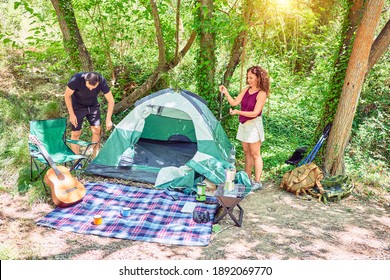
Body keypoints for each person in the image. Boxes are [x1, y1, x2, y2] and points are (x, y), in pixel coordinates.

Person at [219, 66, 270, 190]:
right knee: (247, 153)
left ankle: (257, 182)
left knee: (255, 154)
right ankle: (247, 178)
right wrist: (225, 92)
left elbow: (255, 113)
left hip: (254, 125)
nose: (249, 80)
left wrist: (238, 112)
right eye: (248, 77)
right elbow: (234, 103)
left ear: (259, 78)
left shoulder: (262, 94)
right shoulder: (247, 89)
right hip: (244, 124)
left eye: (251, 77)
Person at [64, 72, 115, 158]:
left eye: (93, 87)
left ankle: (95, 159)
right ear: (85, 80)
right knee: (76, 133)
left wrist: (108, 119)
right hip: (77, 107)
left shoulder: (101, 80)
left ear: (98, 83)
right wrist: (71, 114)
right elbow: (67, 96)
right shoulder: (76, 79)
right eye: (89, 86)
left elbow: (111, 100)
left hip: (93, 106)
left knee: (97, 130)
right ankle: (76, 162)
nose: (91, 89)